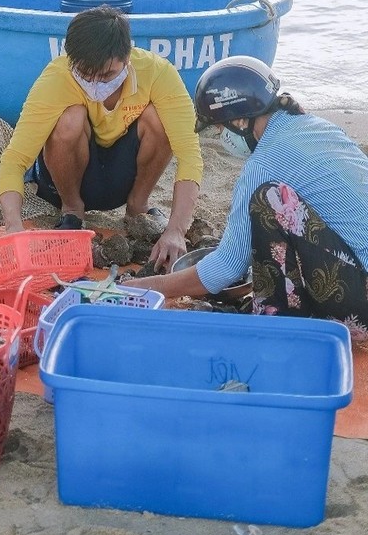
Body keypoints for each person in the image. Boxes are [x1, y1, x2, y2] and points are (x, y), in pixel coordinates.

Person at [134, 56, 368, 332]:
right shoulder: (319, 127)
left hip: (360, 303)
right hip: (355, 270)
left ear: (241, 121)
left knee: (267, 201)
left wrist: (142, 287)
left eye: (220, 128)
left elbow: (226, 268)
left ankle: (281, 321)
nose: (221, 136)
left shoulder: (263, 164)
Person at [0, 6, 202, 271]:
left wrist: (176, 230)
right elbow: (15, 159)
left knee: (158, 117)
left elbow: (189, 154)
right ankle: (72, 211)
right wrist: (13, 227)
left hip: (124, 176)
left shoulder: (158, 73)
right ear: (70, 59)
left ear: (127, 56)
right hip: (64, 181)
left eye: (106, 75)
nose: (94, 84)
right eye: (84, 73)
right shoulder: (55, 78)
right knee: (71, 117)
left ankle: (137, 207)